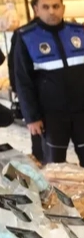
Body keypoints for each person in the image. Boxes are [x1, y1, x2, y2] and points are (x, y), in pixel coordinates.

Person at [13, 0, 84, 168]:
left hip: (82, 110)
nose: (52, 11)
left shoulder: (78, 32)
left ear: (63, 8)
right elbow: (23, 81)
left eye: (56, 6)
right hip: (51, 115)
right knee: (54, 166)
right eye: (46, 7)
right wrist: (31, 117)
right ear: (36, 10)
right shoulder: (27, 37)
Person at [8, 14, 44, 163]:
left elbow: (12, 64)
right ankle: (41, 160)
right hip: (35, 90)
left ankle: (41, 159)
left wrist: (16, 89)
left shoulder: (21, 32)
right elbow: (14, 65)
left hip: (33, 90)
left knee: (38, 130)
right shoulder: (24, 33)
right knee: (38, 128)